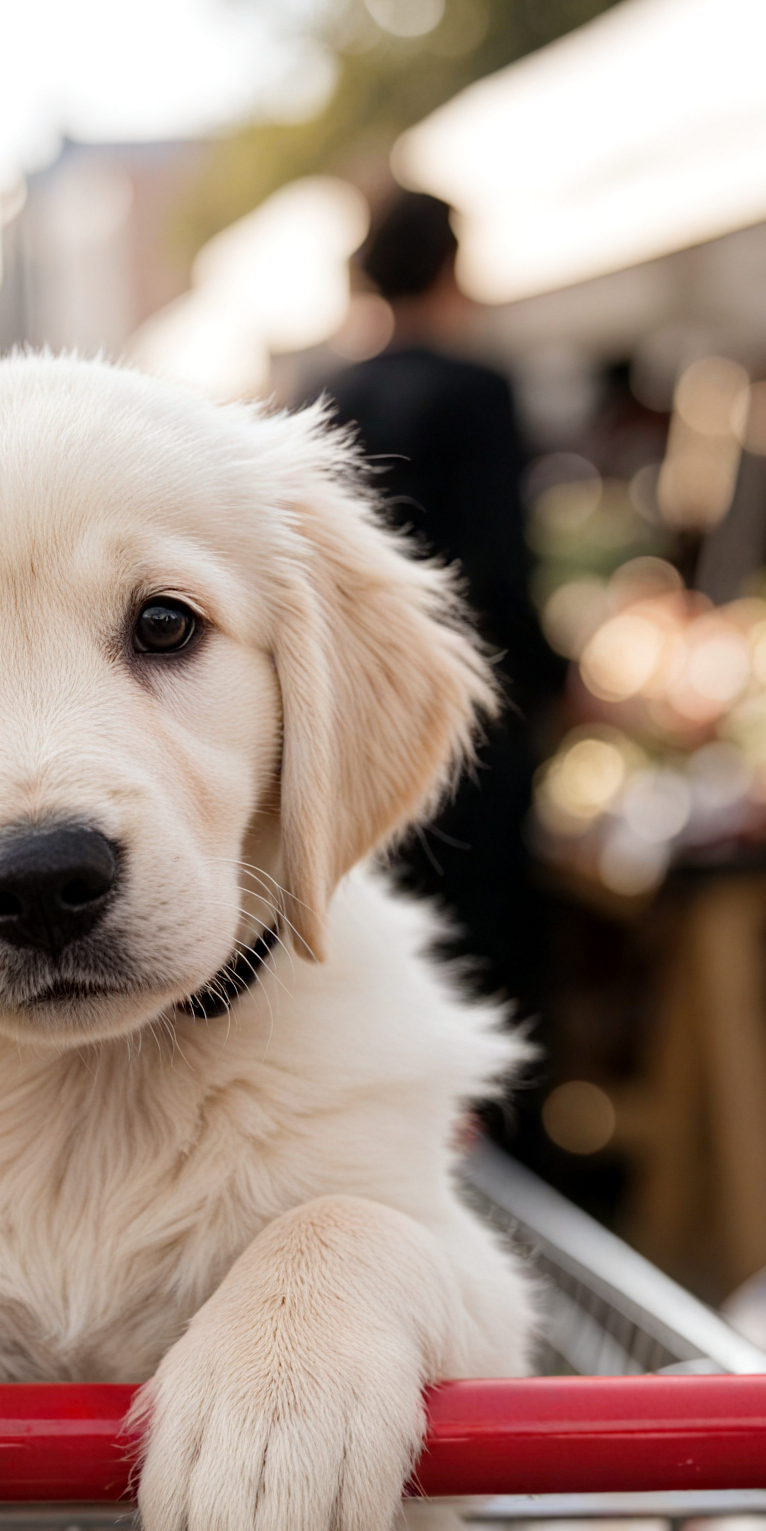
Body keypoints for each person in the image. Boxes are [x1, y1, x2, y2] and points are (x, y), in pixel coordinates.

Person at [322, 190, 563, 1039]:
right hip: (471, 728)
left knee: (384, 962)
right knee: (488, 964)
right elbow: (500, 576)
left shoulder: (324, 392)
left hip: (358, 732)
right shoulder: (475, 391)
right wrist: (561, 683)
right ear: (452, 270)